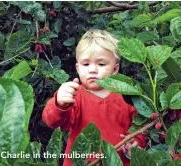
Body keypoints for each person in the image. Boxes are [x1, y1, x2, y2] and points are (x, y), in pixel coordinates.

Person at [42, 29, 146, 166]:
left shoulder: (127, 96)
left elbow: (140, 127)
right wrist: (59, 103)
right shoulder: (75, 95)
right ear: (78, 68)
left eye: (101, 64)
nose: (92, 70)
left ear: (115, 69)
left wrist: (135, 143)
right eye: (86, 64)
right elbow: (53, 121)